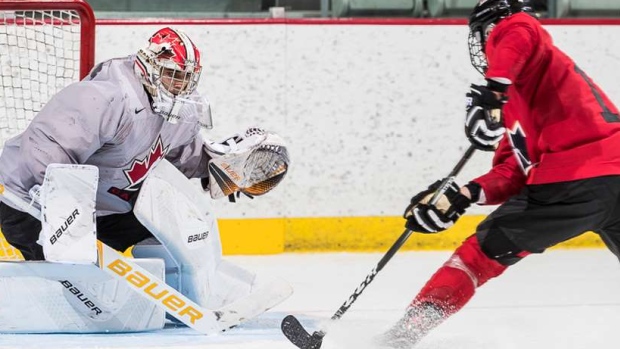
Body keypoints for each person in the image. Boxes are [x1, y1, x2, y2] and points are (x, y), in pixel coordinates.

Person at [377, 0, 620, 347]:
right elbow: (512, 172)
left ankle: (399, 339)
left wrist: (492, 93)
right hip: (609, 174)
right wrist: (463, 195)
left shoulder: (523, 38)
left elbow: (520, 28)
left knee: (477, 256)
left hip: (575, 181)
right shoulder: (516, 104)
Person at [0, 27, 287, 261]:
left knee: (172, 224)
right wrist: (69, 217)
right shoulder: (108, 97)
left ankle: (175, 285)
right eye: (173, 75)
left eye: (187, 77)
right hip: (30, 203)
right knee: (74, 275)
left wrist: (217, 167)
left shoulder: (181, 110)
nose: (180, 85)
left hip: (102, 210)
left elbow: (178, 157)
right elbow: (48, 149)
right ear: (148, 66)